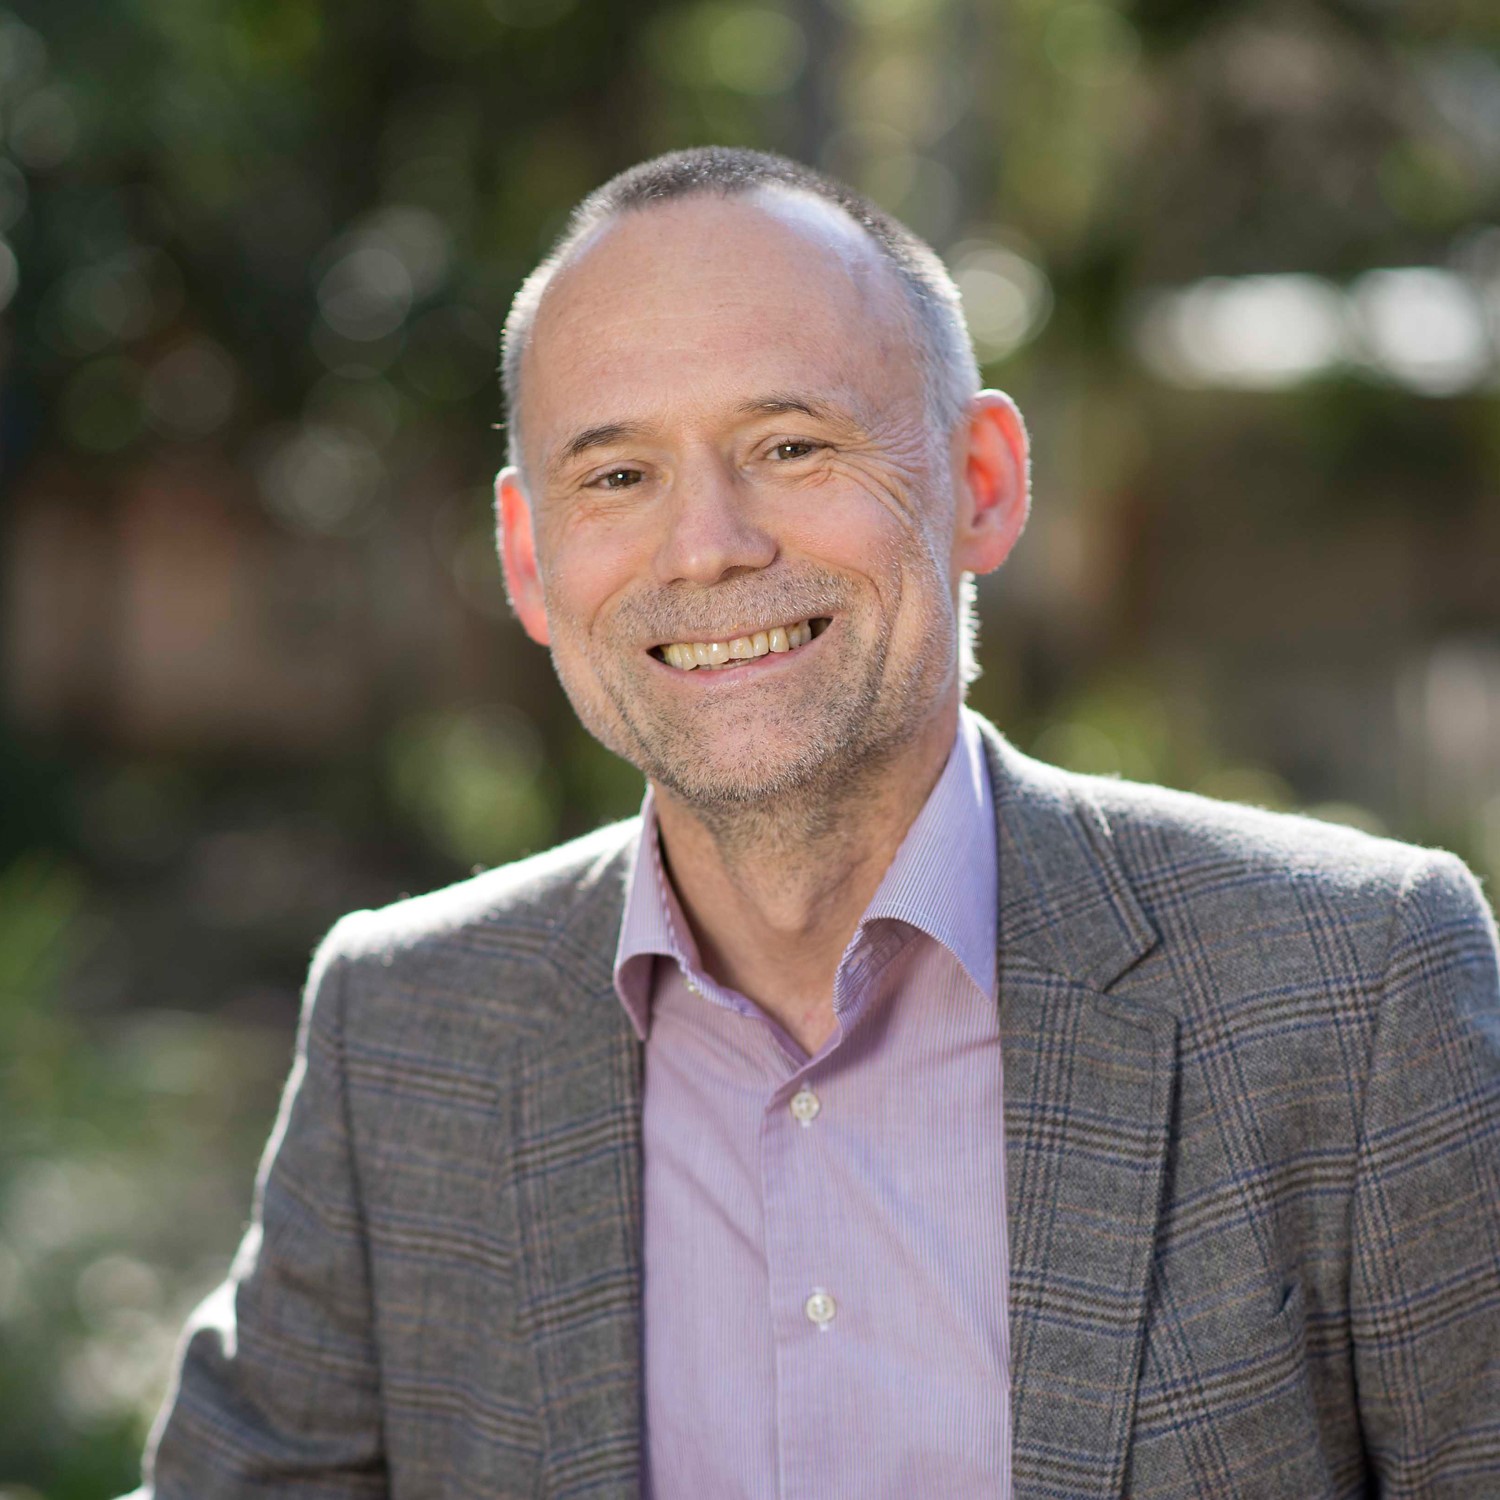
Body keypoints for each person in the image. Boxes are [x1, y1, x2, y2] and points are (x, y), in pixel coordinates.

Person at [130, 147, 1500, 1499]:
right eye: (617, 477)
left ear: (982, 480)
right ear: (529, 558)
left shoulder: (1355, 989)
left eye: (791, 447)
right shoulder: (405, 1029)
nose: (708, 546)